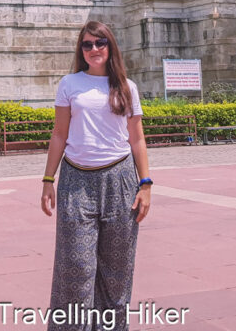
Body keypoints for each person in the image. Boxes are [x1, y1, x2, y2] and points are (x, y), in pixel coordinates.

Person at [40, 20, 151, 331]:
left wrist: (146, 184)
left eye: (100, 43)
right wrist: (48, 180)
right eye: (87, 44)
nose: (94, 49)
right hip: (76, 181)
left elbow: (137, 139)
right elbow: (59, 134)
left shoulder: (127, 87)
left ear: (110, 46)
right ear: (81, 49)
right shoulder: (70, 84)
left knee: (117, 269)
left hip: (120, 180)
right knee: (75, 266)